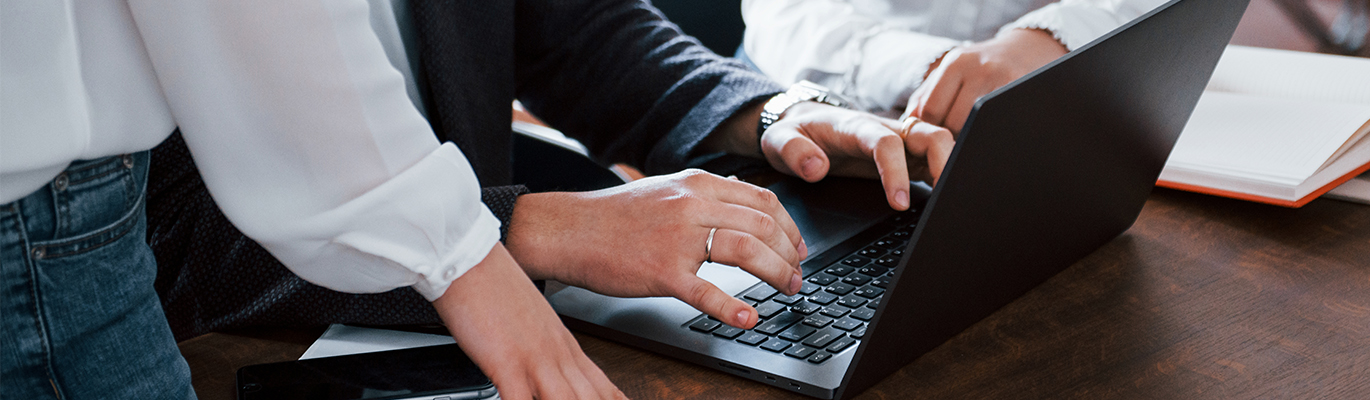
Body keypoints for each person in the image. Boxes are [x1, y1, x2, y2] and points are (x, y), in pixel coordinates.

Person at [2, 0, 952, 398]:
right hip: (246, 338)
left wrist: (768, 112)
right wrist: (515, 232)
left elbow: (570, 23)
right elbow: (170, 231)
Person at [742, 0, 1168, 133]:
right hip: (801, 90)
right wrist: (934, 70)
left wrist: (1053, 34)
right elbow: (780, 11)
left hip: (1053, 87)